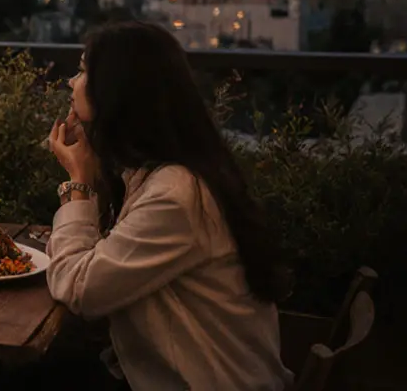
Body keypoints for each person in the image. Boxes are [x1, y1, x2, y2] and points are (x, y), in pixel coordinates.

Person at [43, 21, 293, 390]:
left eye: (81, 71)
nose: (70, 82)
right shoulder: (169, 174)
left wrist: (78, 183)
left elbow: (81, 290)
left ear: (115, 91)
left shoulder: (175, 195)